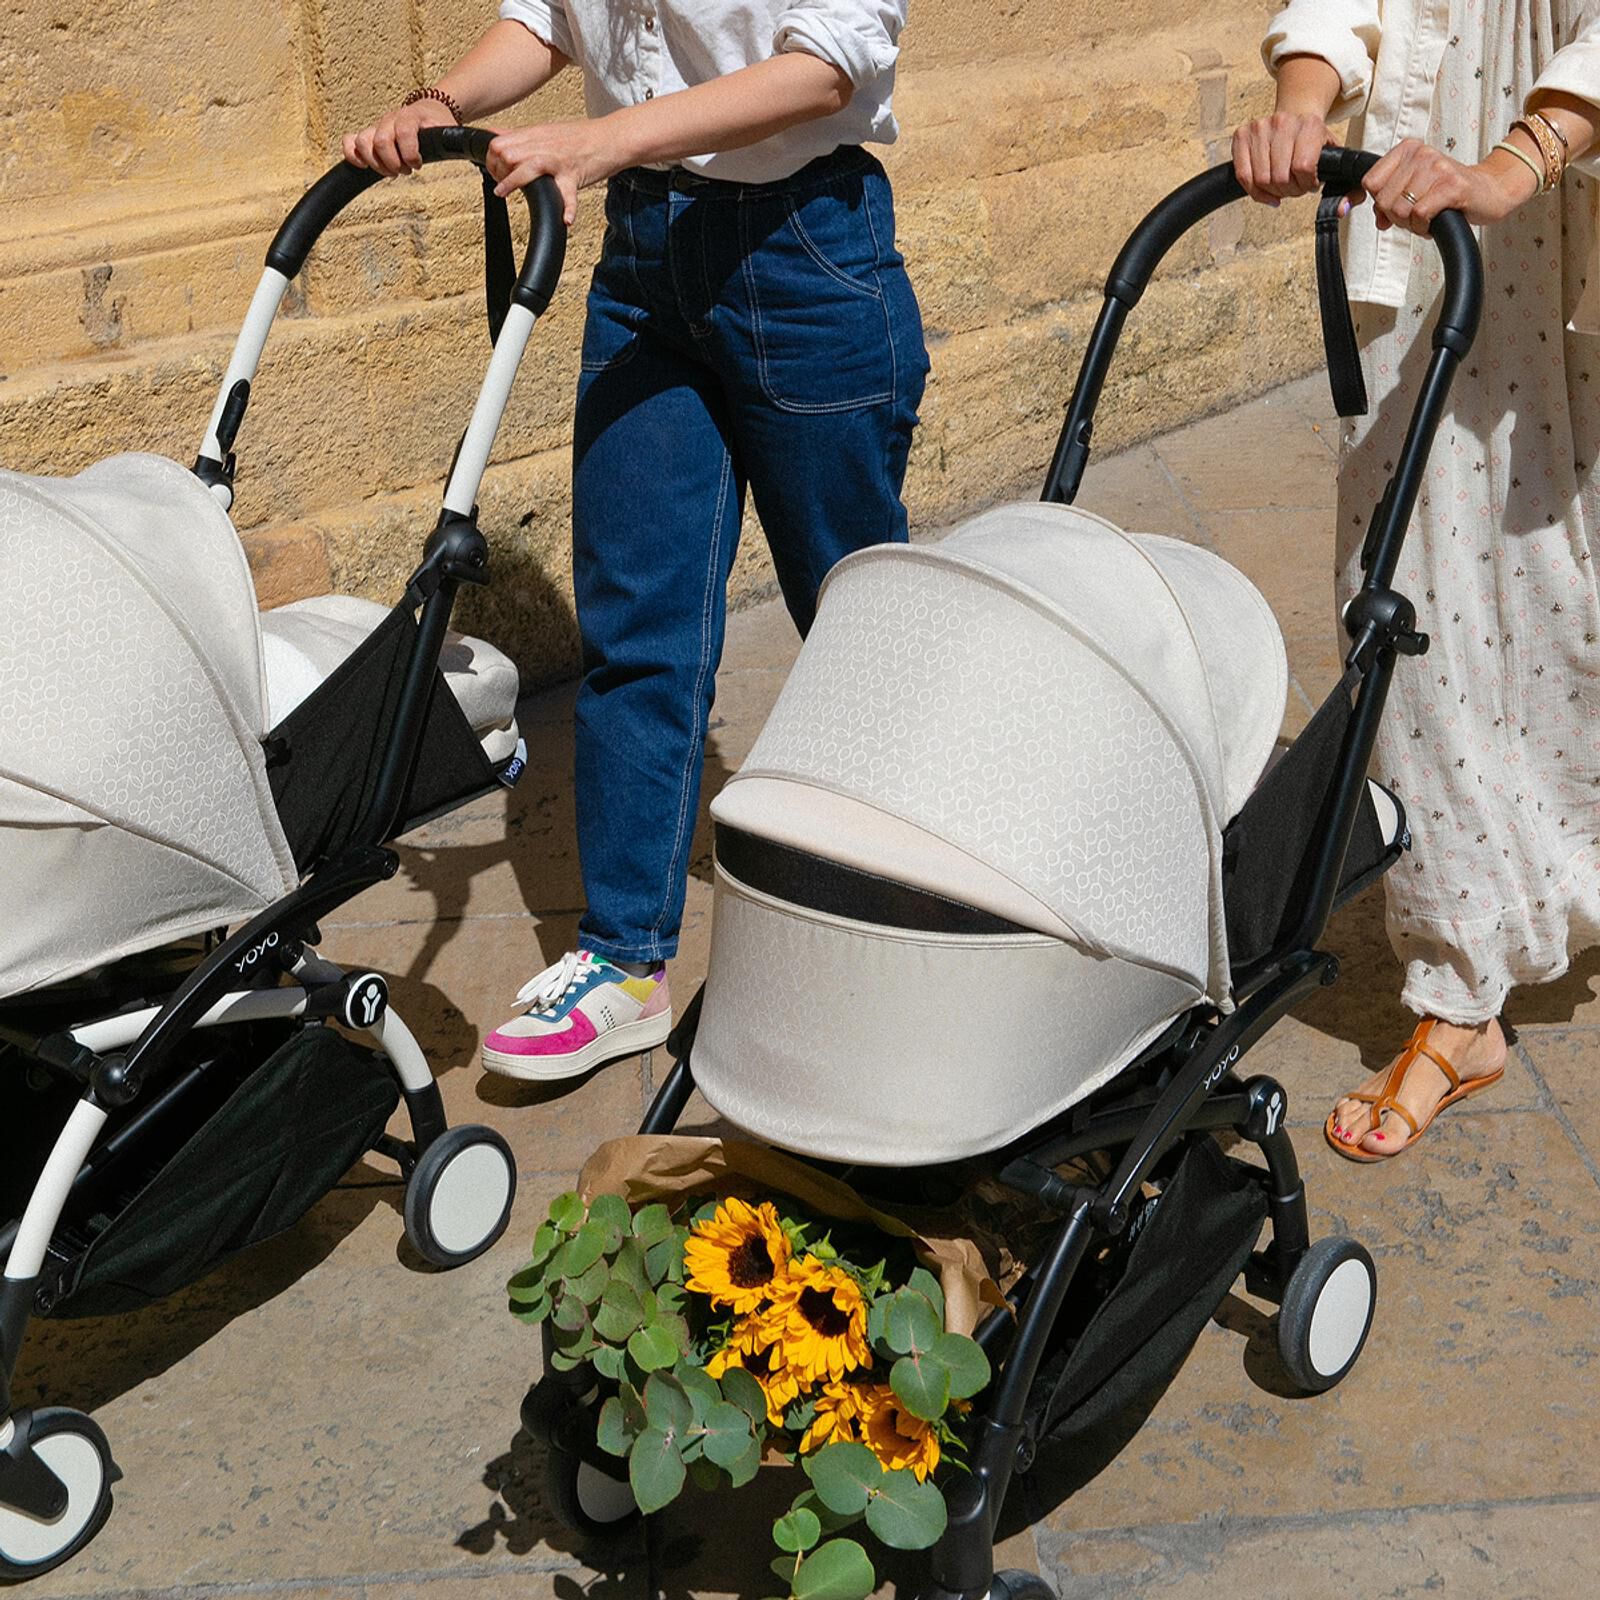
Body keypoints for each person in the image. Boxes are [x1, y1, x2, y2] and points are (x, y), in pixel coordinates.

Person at [345, 2, 927, 1081]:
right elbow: (548, 17)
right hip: (642, 258)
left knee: (857, 629)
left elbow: (827, 70)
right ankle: (622, 961)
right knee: (636, 621)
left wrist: (601, 140)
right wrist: (443, 103)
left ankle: (919, 909)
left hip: (802, 251)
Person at [1235, 2, 1600, 1159]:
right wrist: (1301, 109)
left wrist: (1513, 161)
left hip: (1567, 214)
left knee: (1573, 588)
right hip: (1432, 227)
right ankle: (1458, 989)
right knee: (1405, 593)